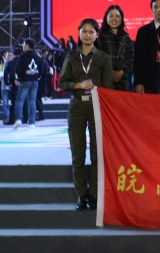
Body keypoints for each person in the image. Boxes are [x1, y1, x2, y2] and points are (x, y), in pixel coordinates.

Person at [59, 18, 113, 211]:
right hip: (76, 108)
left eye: (91, 32)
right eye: (84, 31)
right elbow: (62, 83)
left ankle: (94, 194)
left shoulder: (103, 58)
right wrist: (78, 85)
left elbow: (108, 87)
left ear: (97, 35)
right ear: (79, 34)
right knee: (78, 153)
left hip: (97, 107)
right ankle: (81, 195)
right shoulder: (71, 57)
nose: (88, 35)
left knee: (97, 153)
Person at [98, 5, 134, 91]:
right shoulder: (99, 36)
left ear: (121, 18)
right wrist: (109, 72)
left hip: (123, 85)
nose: (114, 19)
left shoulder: (126, 38)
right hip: (104, 83)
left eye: (117, 16)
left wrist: (121, 72)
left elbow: (131, 58)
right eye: (111, 16)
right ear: (106, 18)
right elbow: (96, 58)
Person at [13, 38, 43, 130]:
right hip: (35, 81)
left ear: (27, 45)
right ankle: (32, 123)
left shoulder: (22, 56)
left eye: (24, 45)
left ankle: (18, 119)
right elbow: (41, 70)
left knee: (19, 100)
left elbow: (17, 69)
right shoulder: (37, 57)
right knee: (32, 102)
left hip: (25, 80)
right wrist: (37, 77)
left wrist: (17, 78)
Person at [0, 50, 13, 123]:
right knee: (5, 103)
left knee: (14, 102)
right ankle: (6, 116)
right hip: (4, 86)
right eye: (8, 55)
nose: (9, 57)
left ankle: (14, 116)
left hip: (12, 86)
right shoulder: (3, 65)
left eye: (11, 55)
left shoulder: (15, 64)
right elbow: (0, 75)